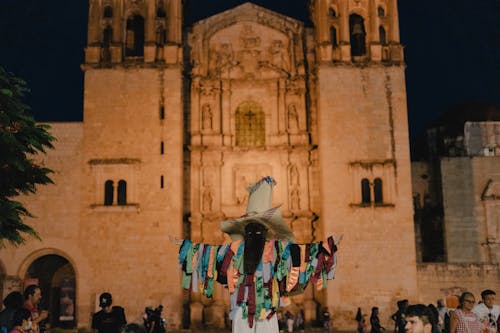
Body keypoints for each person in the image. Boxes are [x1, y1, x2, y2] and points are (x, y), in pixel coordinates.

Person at [178, 177, 340, 333]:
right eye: (254, 232)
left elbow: (300, 259)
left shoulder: (276, 251)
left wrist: (322, 250)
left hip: (267, 309)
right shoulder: (236, 251)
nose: (265, 243)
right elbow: (212, 262)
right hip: (243, 309)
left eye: (263, 235)